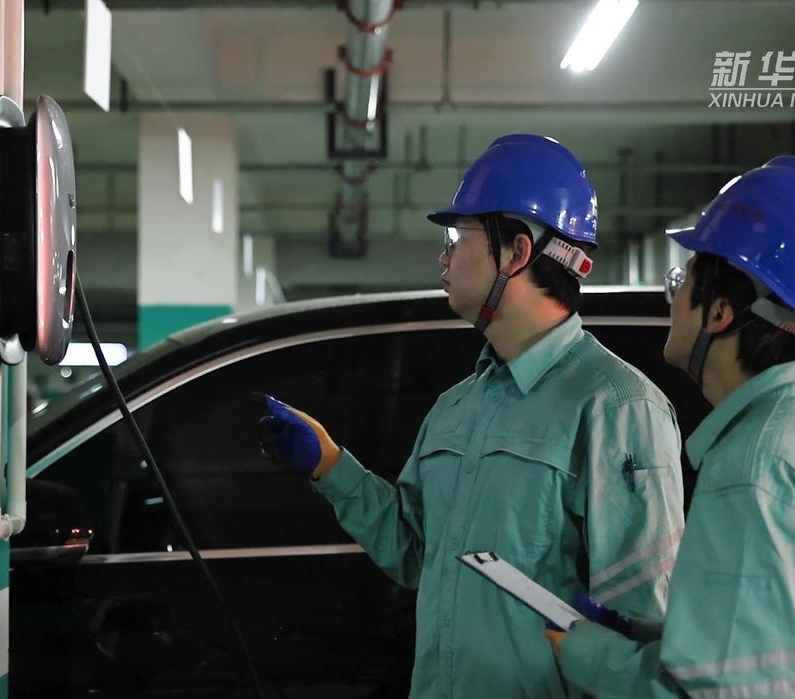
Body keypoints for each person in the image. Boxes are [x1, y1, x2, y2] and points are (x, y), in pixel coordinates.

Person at [256, 134, 685, 698]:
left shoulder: (618, 407)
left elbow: (642, 631)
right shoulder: (457, 407)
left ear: (517, 252)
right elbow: (417, 554)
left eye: (458, 238)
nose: (445, 256)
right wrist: (331, 466)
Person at [548, 155, 795, 698]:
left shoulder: (753, 471)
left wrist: (582, 650)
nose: (673, 299)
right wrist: (657, 635)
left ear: (719, 312)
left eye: (683, 280)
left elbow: (716, 692)